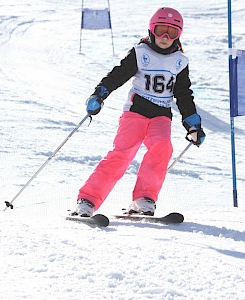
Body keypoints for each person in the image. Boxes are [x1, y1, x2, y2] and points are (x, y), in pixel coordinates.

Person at [72, 7, 205, 217]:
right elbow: (119, 74)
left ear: (178, 35)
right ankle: (88, 200)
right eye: (161, 30)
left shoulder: (180, 61)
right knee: (121, 154)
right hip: (136, 111)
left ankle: (144, 198)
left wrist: (192, 124)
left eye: (171, 32)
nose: (164, 37)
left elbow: (184, 94)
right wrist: (100, 94)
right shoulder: (141, 52)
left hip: (161, 114)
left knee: (162, 148)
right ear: (152, 29)